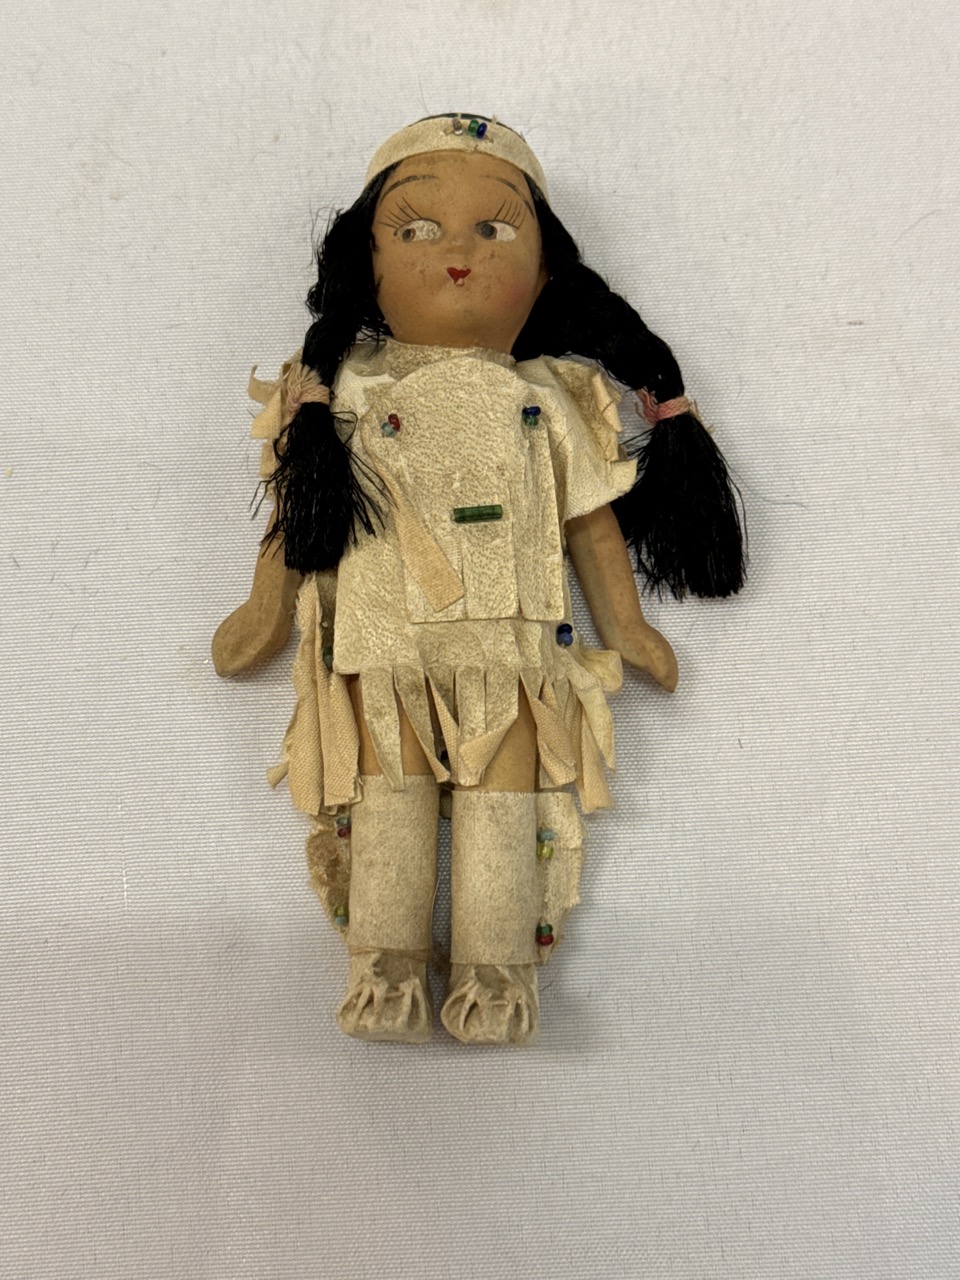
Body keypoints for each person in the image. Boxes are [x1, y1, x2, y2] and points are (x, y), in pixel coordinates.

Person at [212, 114, 744, 1046]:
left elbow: (587, 522)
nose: (457, 256)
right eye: (417, 229)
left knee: (505, 791)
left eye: (494, 229)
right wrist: (266, 611)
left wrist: (626, 626)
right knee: (392, 788)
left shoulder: (549, 398)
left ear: (545, 274)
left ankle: (496, 975)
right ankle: (385, 969)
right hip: (387, 647)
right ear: (366, 265)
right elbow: (307, 510)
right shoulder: (346, 392)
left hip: (513, 649)